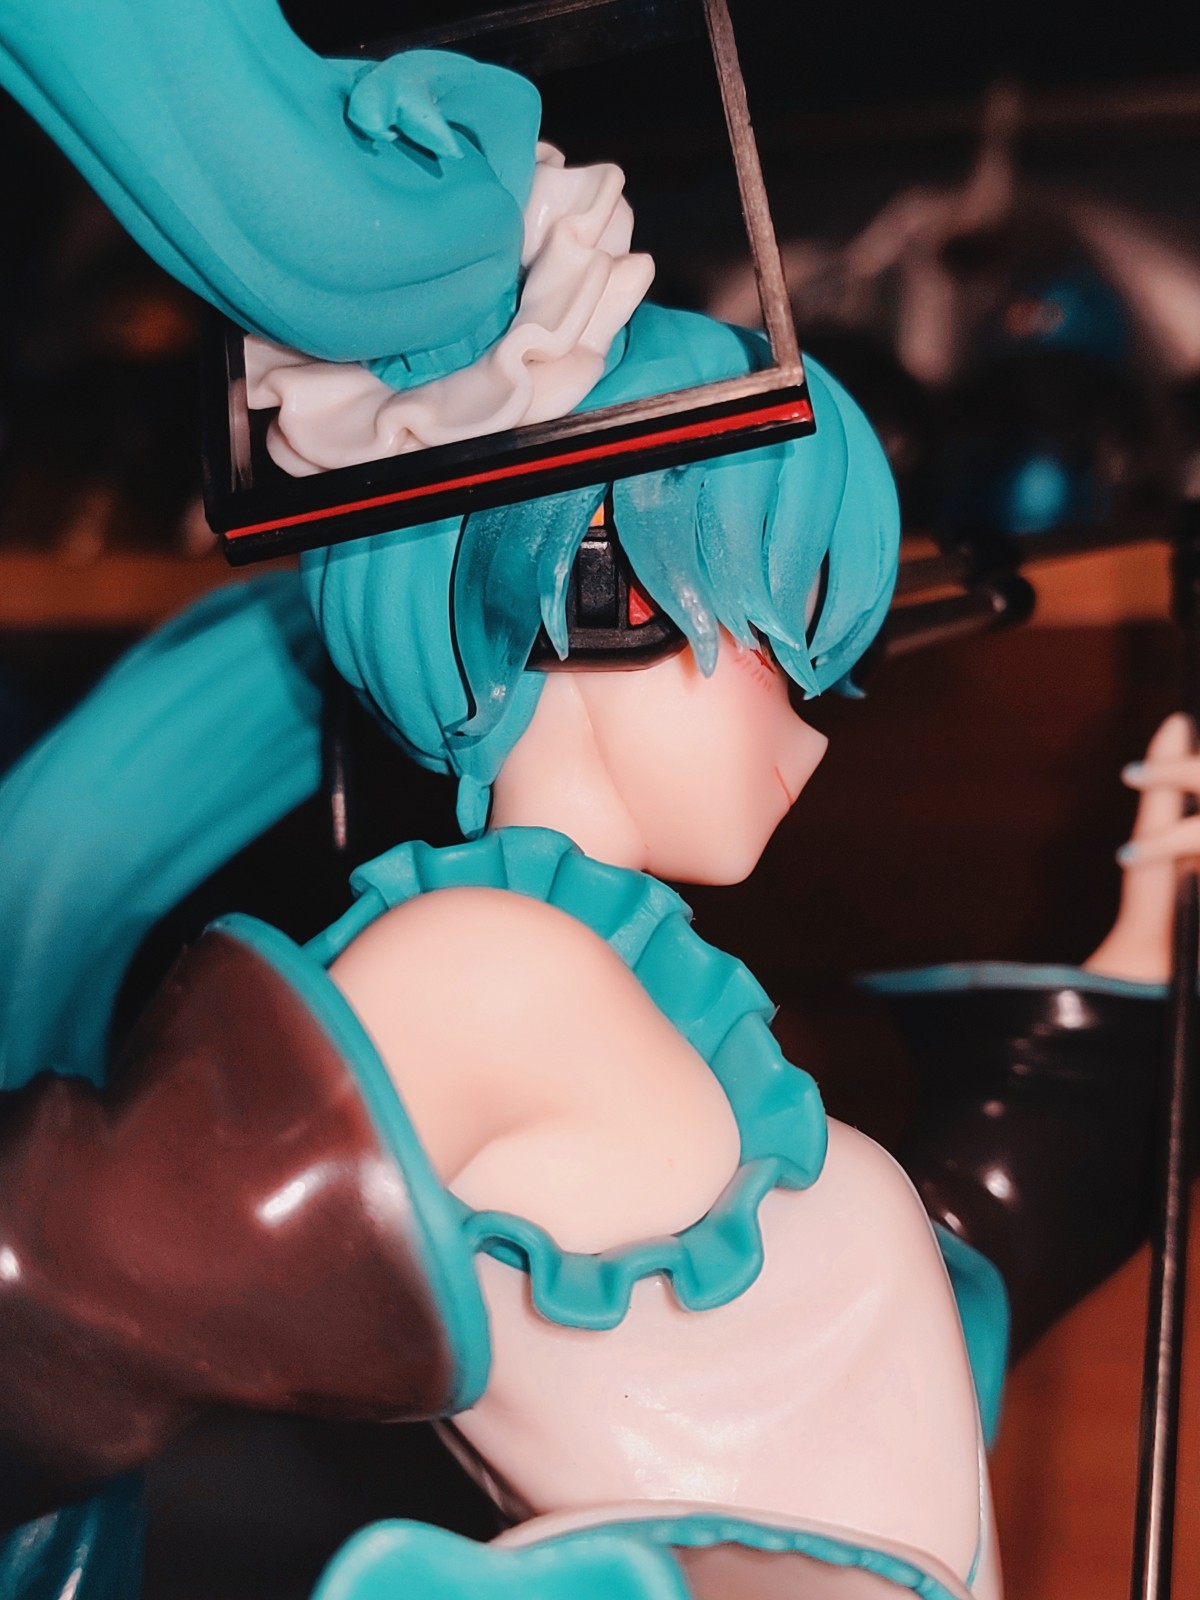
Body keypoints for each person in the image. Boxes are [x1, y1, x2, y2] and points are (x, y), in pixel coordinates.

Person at [0, 4, 1006, 1596]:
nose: (809, 743)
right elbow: (57, 1308)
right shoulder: (493, 974)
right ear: (601, 589)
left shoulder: (591, 981)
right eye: (780, 656)